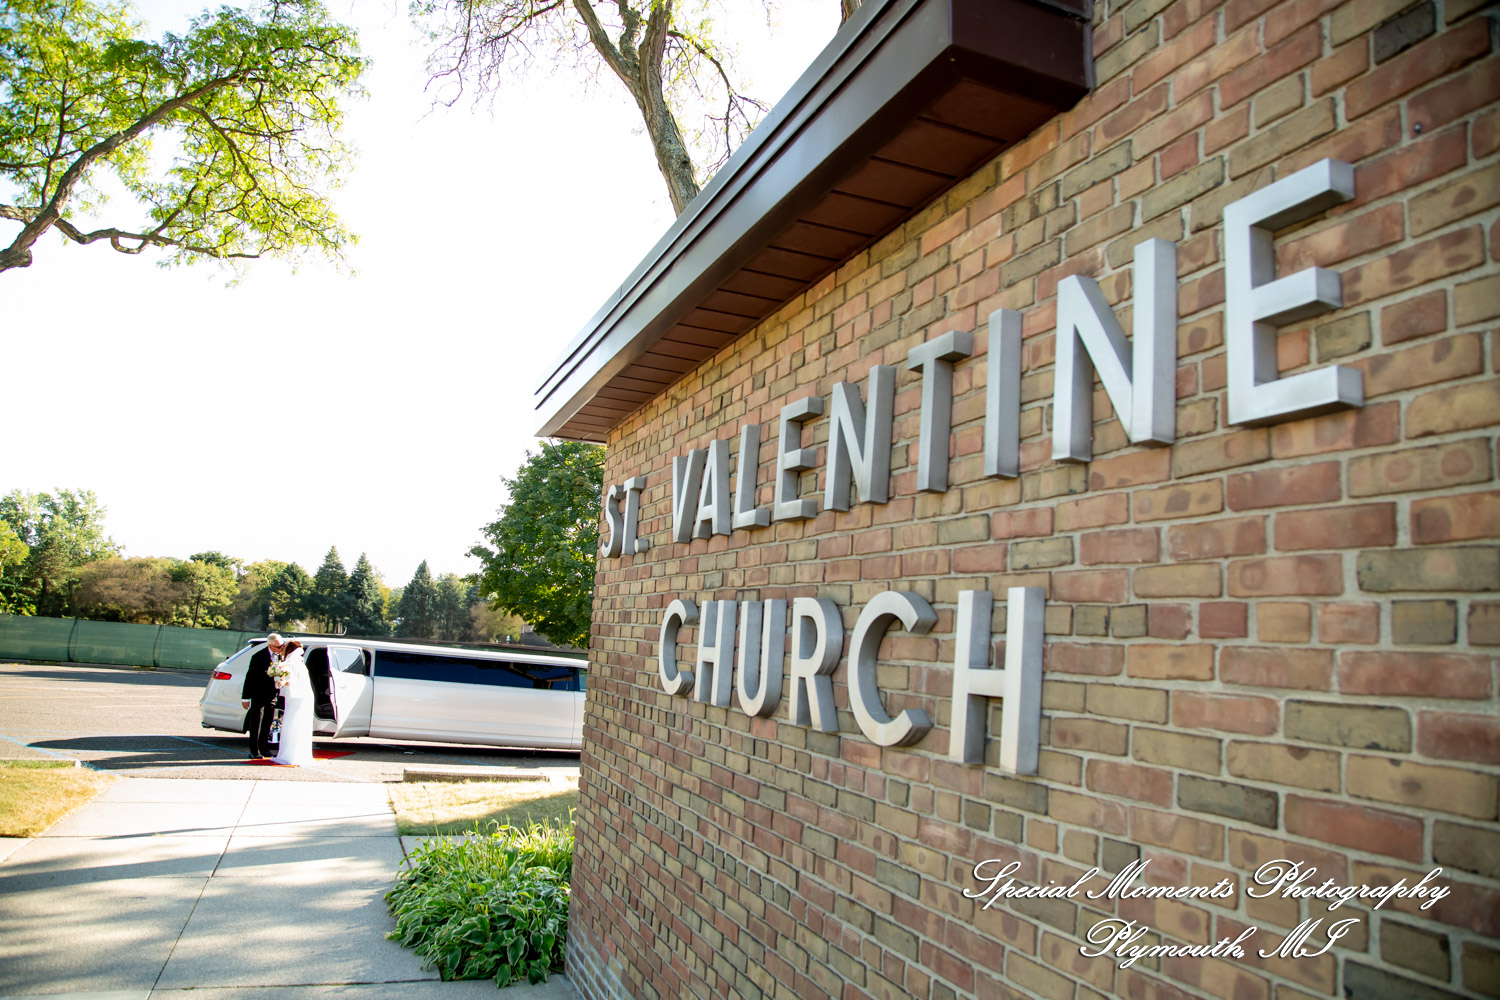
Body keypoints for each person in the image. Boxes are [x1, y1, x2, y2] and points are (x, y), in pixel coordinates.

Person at [270, 638, 317, 766]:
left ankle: (292, 754)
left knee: (294, 724)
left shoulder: (295, 663)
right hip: (295, 698)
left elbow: (299, 682)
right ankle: (290, 753)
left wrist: (284, 682)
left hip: (298, 698)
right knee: (292, 724)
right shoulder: (295, 662)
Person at [239, 633, 281, 759]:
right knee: (255, 723)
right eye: (278, 647)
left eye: (282, 646)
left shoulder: (281, 657)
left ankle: (264, 748)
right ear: (270, 645)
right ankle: (254, 750)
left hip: (272, 694)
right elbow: (250, 677)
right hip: (258, 694)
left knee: (268, 722)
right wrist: (245, 698)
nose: (281, 649)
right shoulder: (258, 656)